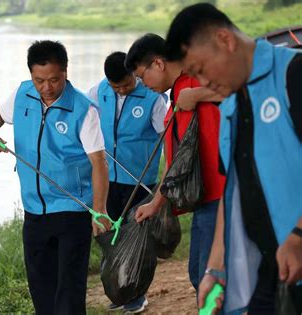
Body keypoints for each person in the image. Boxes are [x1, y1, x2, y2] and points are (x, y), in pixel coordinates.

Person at [165, 3, 302, 314]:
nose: (202, 82)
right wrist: (215, 268)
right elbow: (232, 192)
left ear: (225, 40)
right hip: (270, 270)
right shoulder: (231, 105)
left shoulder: (293, 74)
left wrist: (298, 236)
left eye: (200, 69)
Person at [0, 40, 111, 315]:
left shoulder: (83, 109)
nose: (47, 88)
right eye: (39, 80)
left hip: (73, 210)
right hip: (34, 210)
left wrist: (99, 210)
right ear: (31, 75)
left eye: (54, 79)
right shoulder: (23, 94)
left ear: (65, 71)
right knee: (41, 290)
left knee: (69, 292)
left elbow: (99, 163)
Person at [125, 34, 226, 296]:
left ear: (158, 63)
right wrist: (155, 204)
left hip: (225, 197)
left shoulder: (196, 78)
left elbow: (242, 86)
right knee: (197, 273)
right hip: (205, 199)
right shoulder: (175, 97)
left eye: (141, 76)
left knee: (211, 279)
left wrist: (199, 94)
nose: (141, 84)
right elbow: (176, 162)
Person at [87, 51, 168, 313]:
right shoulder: (100, 91)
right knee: (111, 236)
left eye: (125, 84)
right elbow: (83, 115)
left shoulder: (153, 97)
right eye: (115, 86)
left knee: (138, 240)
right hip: (107, 179)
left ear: (134, 73)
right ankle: (119, 289)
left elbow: (166, 135)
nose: (121, 90)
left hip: (140, 181)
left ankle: (137, 295)